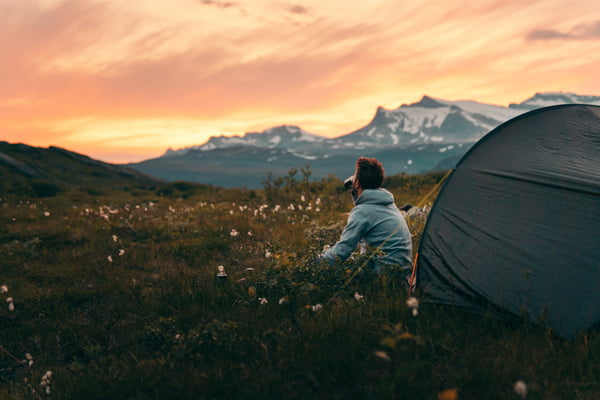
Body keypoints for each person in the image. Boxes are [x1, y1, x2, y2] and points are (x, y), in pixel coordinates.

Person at [320, 157, 413, 282]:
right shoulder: (388, 204)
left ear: (357, 183)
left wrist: (319, 261)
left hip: (383, 277)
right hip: (403, 275)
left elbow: (342, 251)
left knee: (333, 267)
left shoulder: (363, 211)